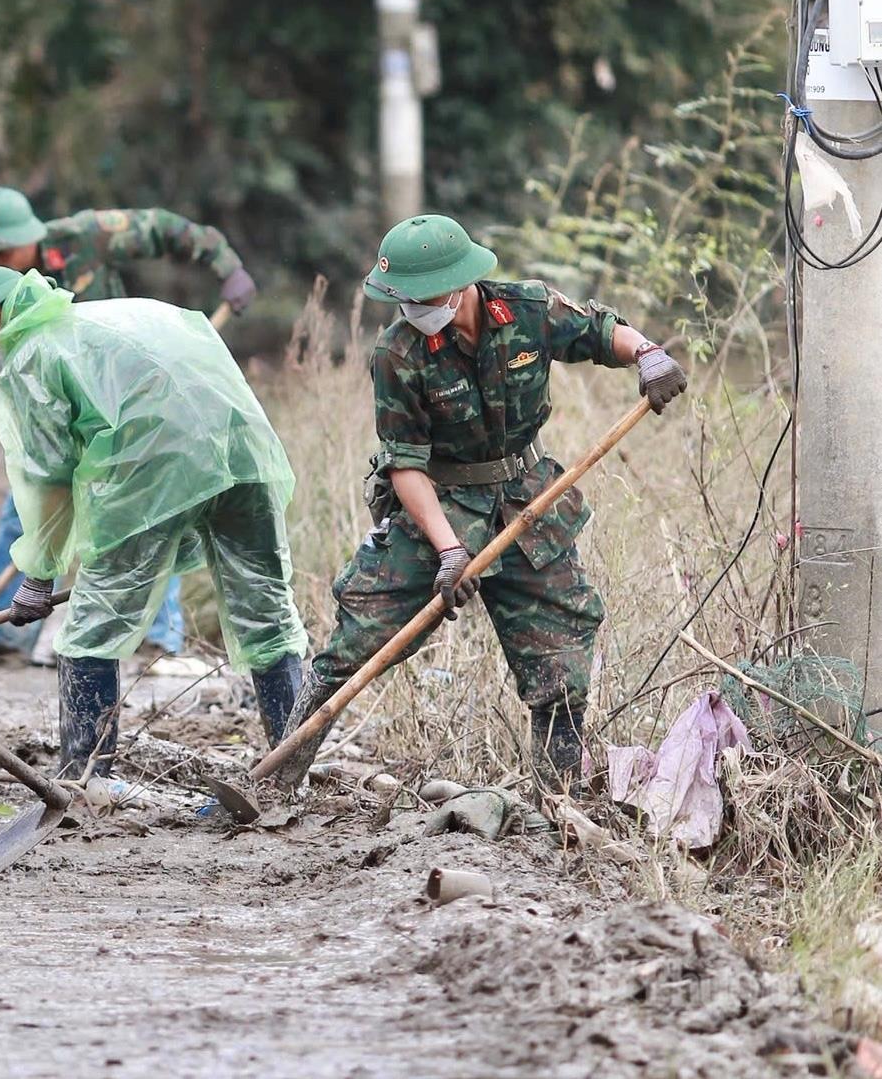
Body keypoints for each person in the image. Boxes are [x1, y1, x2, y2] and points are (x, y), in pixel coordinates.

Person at [274, 214, 689, 792]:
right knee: (361, 630)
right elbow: (405, 466)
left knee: (560, 649)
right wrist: (448, 551)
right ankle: (278, 773)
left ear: (457, 284)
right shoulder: (397, 353)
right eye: (401, 299)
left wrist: (648, 354)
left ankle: (559, 794)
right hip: (440, 505)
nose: (409, 309)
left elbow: (599, 332)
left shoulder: (526, 309)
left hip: (528, 502)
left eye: (418, 297)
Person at [0, 266, 307, 789]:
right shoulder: (122, 313)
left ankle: (87, 780)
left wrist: (40, 572)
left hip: (153, 475)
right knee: (268, 615)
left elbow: (48, 478)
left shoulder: (35, 356)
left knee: (91, 629)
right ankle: (291, 769)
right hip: (245, 456)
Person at [0, 186, 260, 662]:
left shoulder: (87, 237)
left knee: (150, 504)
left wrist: (228, 267)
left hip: (130, 401)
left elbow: (167, 227)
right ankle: (3, 635)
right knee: (30, 497)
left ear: (31, 236)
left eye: (2, 250)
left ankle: (154, 639)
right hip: (61, 405)